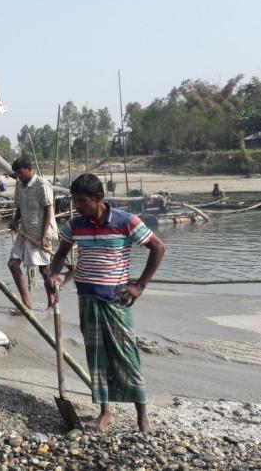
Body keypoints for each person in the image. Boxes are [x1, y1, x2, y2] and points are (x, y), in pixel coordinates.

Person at [48, 174, 166, 433]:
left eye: (81, 201)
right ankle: (105, 413)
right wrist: (54, 274)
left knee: (127, 356)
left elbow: (158, 248)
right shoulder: (75, 224)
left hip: (115, 300)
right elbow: (60, 255)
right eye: (74, 200)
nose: (76, 206)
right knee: (96, 357)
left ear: (99, 199)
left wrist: (139, 286)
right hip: (86, 299)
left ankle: (142, 419)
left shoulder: (126, 222)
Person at [7, 156, 58, 312]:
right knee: (13, 264)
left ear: (30, 169)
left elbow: (48, 210)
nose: (19, 176)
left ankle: (52, 303)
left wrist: (43, 237)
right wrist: (15, 221)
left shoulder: (42, 185)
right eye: (17, 174)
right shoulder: (19, 185)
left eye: (21, 173)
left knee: (45, 270)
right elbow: (19, 207)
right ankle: (26, 305)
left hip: (41, 231)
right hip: (25, 230)